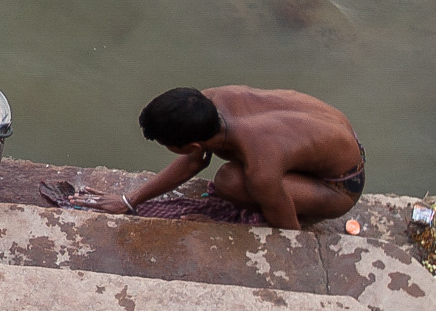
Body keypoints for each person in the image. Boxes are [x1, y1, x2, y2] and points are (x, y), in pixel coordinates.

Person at [72, 86, 364, 230]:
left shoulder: (261, 166)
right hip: (336, 140)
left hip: (339, 185)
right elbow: (195, 160)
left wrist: (230, 226)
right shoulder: (209, 101)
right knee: (242, 177)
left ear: (193, 144)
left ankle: (266, 201)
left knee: (230, 182)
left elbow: (289, 232)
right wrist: (129, 200)